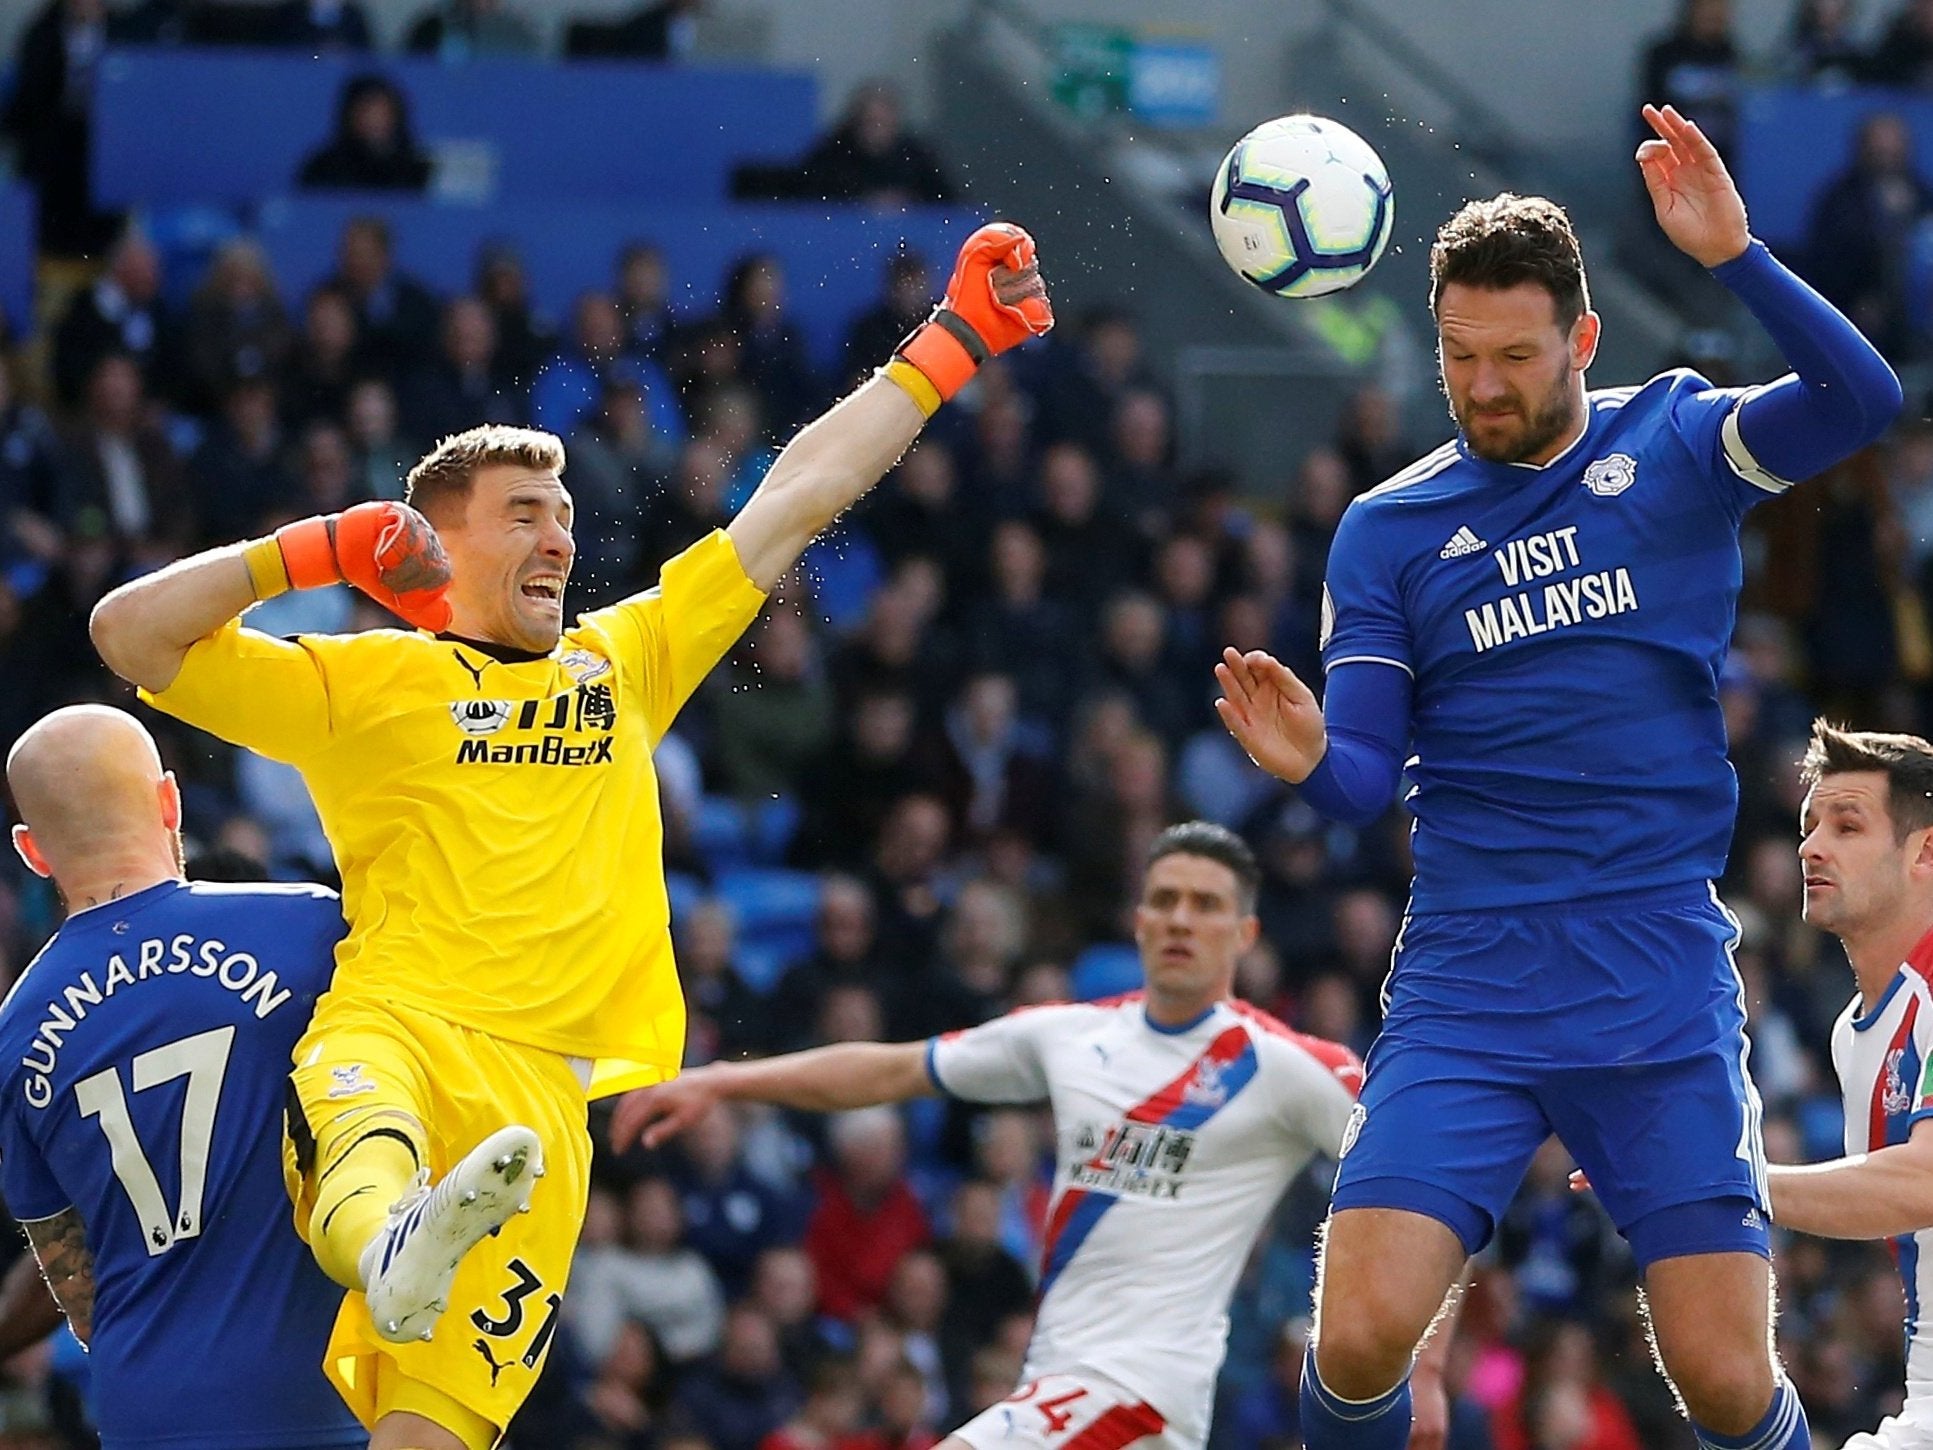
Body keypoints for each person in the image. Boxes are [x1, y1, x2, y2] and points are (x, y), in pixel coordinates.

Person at [87, 223, 1053, 1450]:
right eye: (527, 514)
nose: (560, 538)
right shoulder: (367, 683)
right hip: (396, 1023)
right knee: (365, 1148)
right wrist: (311, 551)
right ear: (440, 539)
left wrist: (954, 340)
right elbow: (129, 639)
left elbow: (799, 491)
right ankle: (393, 1237)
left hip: (538, 1108)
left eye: (565, 513)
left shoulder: (623, 660)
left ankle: (403, 1240)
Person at [1211, 104, 1903, 1450]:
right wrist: (1306, 761)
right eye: (1460, 358)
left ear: (1581, 340)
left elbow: (1863, 400)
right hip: (1471, 982)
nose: (1484, 386)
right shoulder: (1388, 531)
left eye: (1515, 356)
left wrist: (1738, 257)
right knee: (1353, 1337)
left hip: (1652, 977)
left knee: (1720, 1378)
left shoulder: (1680, 448)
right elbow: (1361, 783)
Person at [612, 822, 1402, 1450]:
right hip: (1063, 1386)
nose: (1180, 920)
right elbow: (888, 1071)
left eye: (1204, 904)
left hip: (1138, 1391)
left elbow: (1419, 1177)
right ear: (1137, 919)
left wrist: (1418, 1364)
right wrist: (718, 1080)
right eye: (1164, 899)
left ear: (1245, 932)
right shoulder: (1066, 1037)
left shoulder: (1289, 1067)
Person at [0, 705, 361, 1449]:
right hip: (334, 1395)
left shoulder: (14, 1036)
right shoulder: (316, 929)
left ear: (33, 851)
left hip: (151, 1413)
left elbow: (74, 1284)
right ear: (170, 801)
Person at [1750, 721, 1933, 1448]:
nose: (1809, 846)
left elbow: (1923, 1181)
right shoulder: (1856, 1029)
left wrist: (1723, 1181)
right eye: (1808, 824)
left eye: (1847, 824)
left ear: (1925, 851)